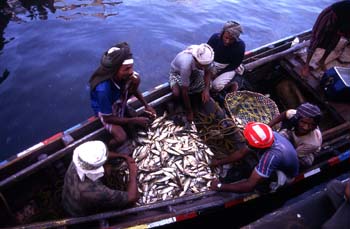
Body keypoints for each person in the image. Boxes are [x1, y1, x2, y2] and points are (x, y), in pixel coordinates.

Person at [89, 42, 156, 147]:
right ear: (114, 70)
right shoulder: (103, 90)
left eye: (131, 67)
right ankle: (108, 150)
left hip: (118, 98)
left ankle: (124, 110)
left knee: (136, 79)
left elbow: (134, 89)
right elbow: (107, 118)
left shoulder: (124, 75)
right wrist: (134, 120)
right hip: (106, 112)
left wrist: (146, 105)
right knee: (121, 137)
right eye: (126, 69)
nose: (131, 71)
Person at [210, 122, 299, 193]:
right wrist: (218, 162)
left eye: (247, 141)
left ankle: (268, 187)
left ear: (257, 146)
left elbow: (249, 185)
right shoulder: (269, 136)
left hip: (285, 175)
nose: (245, 141)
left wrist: (220, 186)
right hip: (280, 160)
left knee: (259, 186)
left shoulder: (270, 157)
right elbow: (241, 152)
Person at [62, 140, 138, 216]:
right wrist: (133, 173)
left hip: (67, 198)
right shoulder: (95, 191)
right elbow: (131, 197)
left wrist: (122, 156)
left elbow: (104, 155)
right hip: (78, 213)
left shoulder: (80, 160)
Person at [301, 0, 350, 77]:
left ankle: (322, 61)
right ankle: (306, 65)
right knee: (317, 39)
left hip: (342, 21)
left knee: (333, 41)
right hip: (331, 15)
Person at [169, 43, 216, 122]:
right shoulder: (186, 65)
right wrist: (189, 111)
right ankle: (179, 105)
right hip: (177, 73)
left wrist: (206, 90)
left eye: (205, 65)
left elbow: (208, 72)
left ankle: (195, 98)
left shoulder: (206, 58)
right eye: (202, 65)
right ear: (195, 60)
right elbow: (185, 91)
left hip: (194, 71)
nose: (204, 67)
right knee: (176, 93)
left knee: (208, 85)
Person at [268, 102, 322, 169]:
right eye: (303, 122)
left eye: (312, 125)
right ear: (297, 119)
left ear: (315, 126)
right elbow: (285, 114)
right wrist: (267, 127)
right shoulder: (294, 114)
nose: (306, 127)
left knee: (306, 162)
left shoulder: (313, 143)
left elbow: (291, 155)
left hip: (305, 152)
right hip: (293, 137)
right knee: (278, 138)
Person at [207, 21, 246, 94]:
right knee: (203, 82)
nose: (227, 41)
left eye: (231, 39)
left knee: (216, 86)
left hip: (228, 67)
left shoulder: (240, 46)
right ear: (222, 34)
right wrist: (210, 72)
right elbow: (207, 54)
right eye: (226, 37)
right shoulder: (214, 38)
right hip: (212, 63)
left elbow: (234, 65)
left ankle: (230, 84)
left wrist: (217, 74)